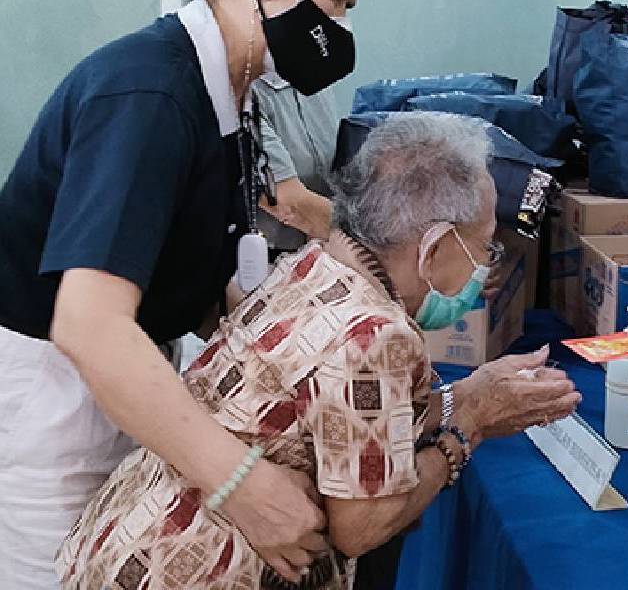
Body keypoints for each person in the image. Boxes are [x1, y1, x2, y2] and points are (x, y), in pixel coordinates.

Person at [0, 0, 371, 587]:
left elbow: (209, 254)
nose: (342, 28)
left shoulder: (233, 88)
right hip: (56, 389)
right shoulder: (147, 95)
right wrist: (242, 485)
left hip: (130, 371)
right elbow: (90, 326)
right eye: (335, 0)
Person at [58, 112, 581, 589]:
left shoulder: (316, 263)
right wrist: (469, 426)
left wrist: (466, 393)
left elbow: (347, 427)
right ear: (436, 244)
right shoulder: (375, 335)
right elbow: (364, 524)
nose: (487, 266)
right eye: (485, 245)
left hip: (129, 540)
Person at [254, 74, 343, 251]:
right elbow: (289, 203)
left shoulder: (314, 74)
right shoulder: (241, 94)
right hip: (266, 259)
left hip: (325, 250)